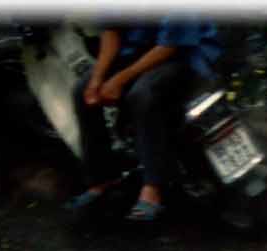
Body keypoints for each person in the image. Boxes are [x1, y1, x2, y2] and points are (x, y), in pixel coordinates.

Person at [64, 16, 223, 222]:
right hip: (136, 53)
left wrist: (119, 80)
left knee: (142, 96)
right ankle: (101, 179)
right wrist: (97, 79)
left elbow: (170, 45)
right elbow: (111, 30)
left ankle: (153, 188)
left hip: (181, 55)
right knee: (82, 91)